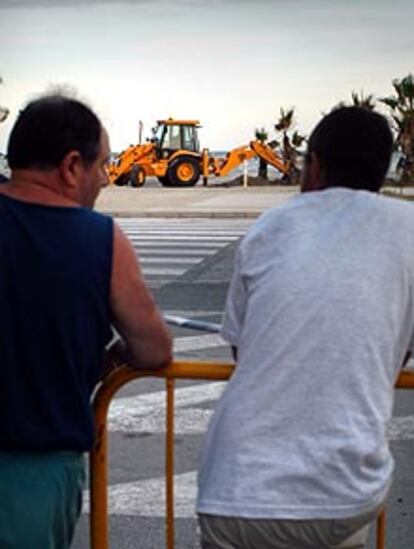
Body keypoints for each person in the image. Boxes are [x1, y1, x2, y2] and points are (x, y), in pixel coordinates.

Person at [197, 106, 414, 548]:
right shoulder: (408, 229)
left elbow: (245, 350)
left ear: (313, 164)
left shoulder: (271, 226)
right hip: (344, 491)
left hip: (238, 491)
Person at [0, 94, 172, 548]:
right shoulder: (100, 240)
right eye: (103, 165)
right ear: (72, 166)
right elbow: (154, 348)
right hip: (33, 476)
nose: (105, 179)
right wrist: (111, 356)